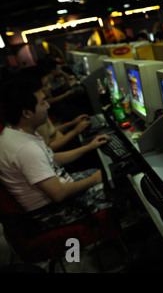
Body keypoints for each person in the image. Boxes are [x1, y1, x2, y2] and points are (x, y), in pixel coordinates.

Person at [0, 77, 113, 230]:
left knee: (109, 171)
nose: (47, 106)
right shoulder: (25, 149)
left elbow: (50, 159)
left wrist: (89, 147)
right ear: (26, 113)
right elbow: (58, 194)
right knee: (118, 183)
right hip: (55, 211)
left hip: (59, 192)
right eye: (42, 103)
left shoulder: (15, 132)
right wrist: (93, 180)